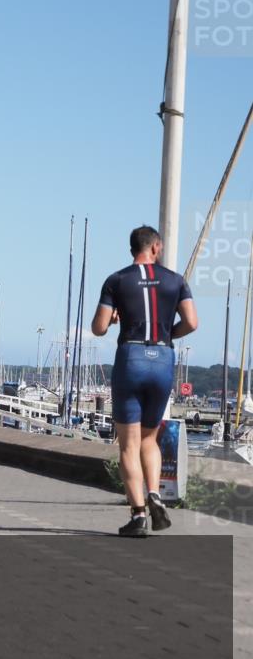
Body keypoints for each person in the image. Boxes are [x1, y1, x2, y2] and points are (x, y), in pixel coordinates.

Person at [91, 225, 198, 538]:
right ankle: (154, 493)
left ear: (132, 249)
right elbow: (191, 322)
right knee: (150, 439)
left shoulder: (116, 280)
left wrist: (112, 319)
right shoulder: (176, 280)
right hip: (163, 359)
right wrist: (167, 334)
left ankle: (138, 514)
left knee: (129, 445)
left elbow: (98, 327)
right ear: (156, 247)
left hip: (131, 358)